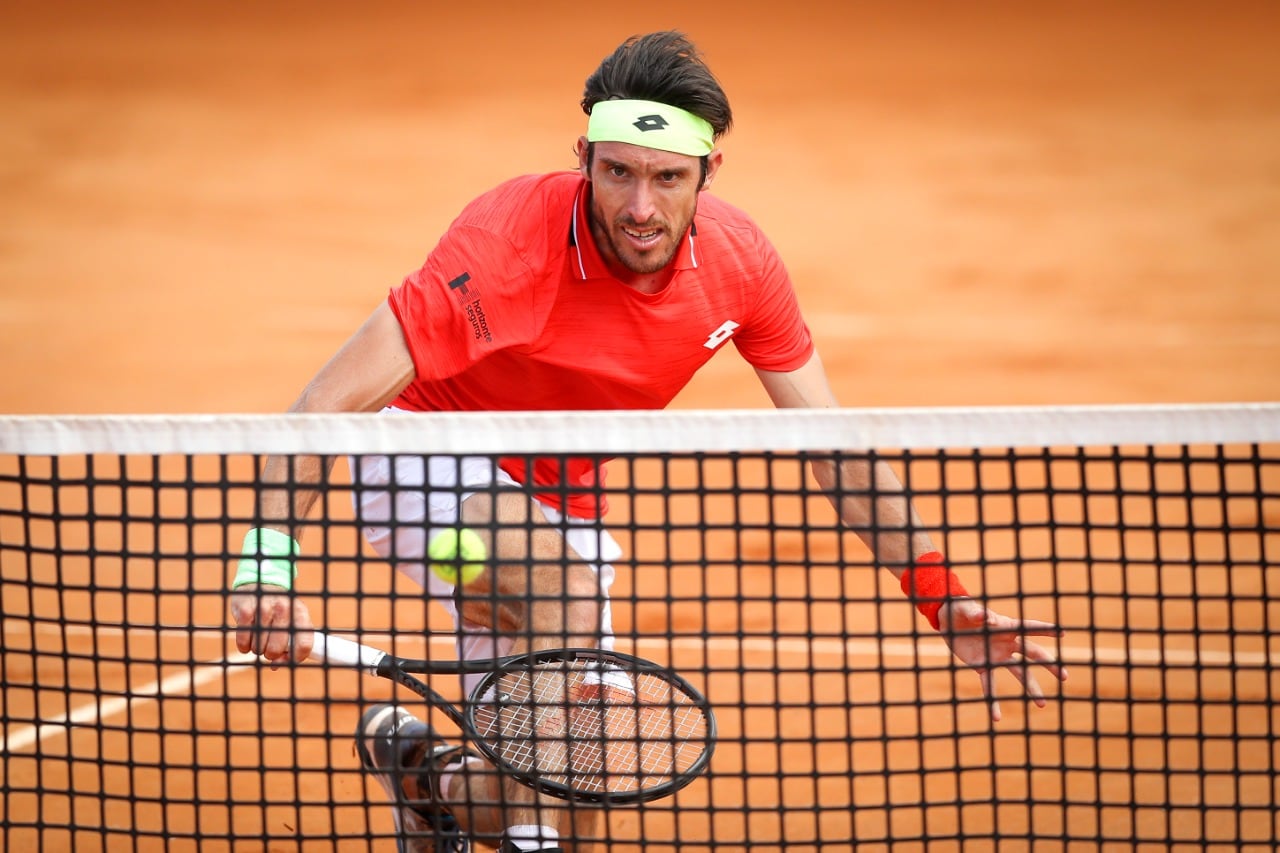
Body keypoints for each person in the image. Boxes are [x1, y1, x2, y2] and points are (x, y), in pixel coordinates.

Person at [229, 30, 1068, 853]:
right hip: (427, 453)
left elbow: (835, 448)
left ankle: (426, 779)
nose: (640, 207)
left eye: (667, 178)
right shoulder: (505, 246)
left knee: (571, 798)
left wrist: (940, 595)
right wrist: (266, 565)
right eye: (618, 172)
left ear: (708, 173)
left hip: (564, 491)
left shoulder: (742, 265)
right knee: (554, 587)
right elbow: (327, 401)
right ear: (584, 159)